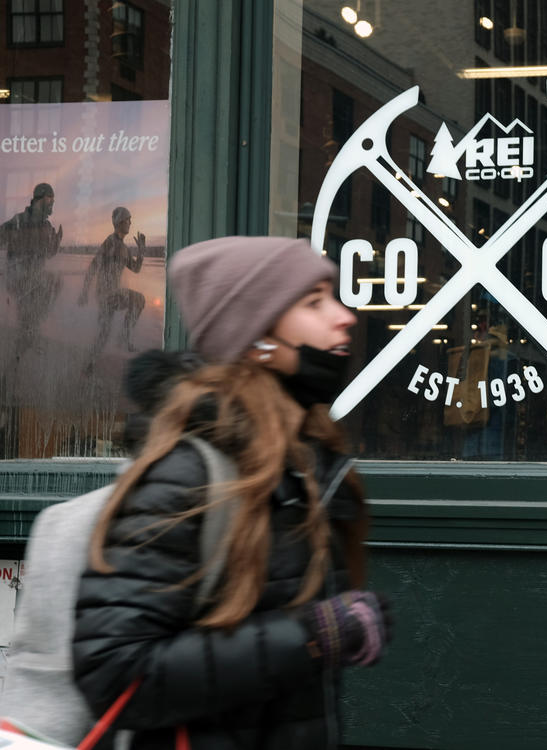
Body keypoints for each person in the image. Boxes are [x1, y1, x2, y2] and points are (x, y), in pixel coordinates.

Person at [72, 236, 393, 749]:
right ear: (257, 338)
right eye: (314, 302)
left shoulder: (304, 467)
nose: (345, 315)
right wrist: (311, 636)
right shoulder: (189, 476)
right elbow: (116, 674)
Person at [1, 182, 63, 360]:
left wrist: (56, 243)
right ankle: (28, 333)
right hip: (18, 277)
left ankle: (26, 337)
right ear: (41, 198)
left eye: (53, 198)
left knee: (54, 282)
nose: (52, 202)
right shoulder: (19, 220)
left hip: (35, 281)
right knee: (47, 283)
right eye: (50, 197)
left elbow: (49, 254)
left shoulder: (47, 227)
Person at [79, 206, 146, 365]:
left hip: (114, 292)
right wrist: (84, 292)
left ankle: (89, 365)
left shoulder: (124, 248)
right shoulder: (110, 242)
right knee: (139, 300)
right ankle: (123, 338)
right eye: (128, 219)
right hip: (105, 293)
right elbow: (93, 266)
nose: (130, 222)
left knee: (104, 333)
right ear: (120, 222)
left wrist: (141, 253)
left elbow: (135, 269)